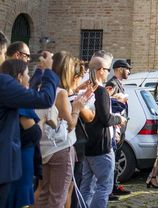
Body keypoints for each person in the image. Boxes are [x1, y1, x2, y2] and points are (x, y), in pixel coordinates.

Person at [0, 45, 58, 208]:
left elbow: (27, 91)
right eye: (4, 52)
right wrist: (48, 71)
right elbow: (45, 98)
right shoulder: (3, 82)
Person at [37, 51, 92, 208]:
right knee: (58, 197)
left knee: (44, 193)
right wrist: (77, 107)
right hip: (60, 148)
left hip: (45, 148)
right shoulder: (60, 93)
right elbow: (70, 125)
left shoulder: (43, 88)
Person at [80, 51, 127, 208]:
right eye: (107, 69)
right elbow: (106, 119)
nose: (108, 73)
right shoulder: (100, 91)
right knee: (104, 187)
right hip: (101, 145)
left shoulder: (87, 88)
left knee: (87, 186)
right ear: (100, 70)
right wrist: (119, 119)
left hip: (87, 145)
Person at [2, 59, 42, 208]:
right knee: (18, 199)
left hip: (14, 158)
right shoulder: (17, 99)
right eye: (27, 74)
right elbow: (34, 133)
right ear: (19, 76)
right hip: (19, 159)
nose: (29, 78)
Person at [105, 58, 132, 199]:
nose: (129, 71)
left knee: (116, 158)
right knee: (113, 158)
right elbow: (109, 104)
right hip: (115, 127)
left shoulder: (119, 84)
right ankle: (109, 189)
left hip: (121, 127)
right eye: (127, 69)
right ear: (120, 69)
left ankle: (114, 186)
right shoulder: (112, 84)